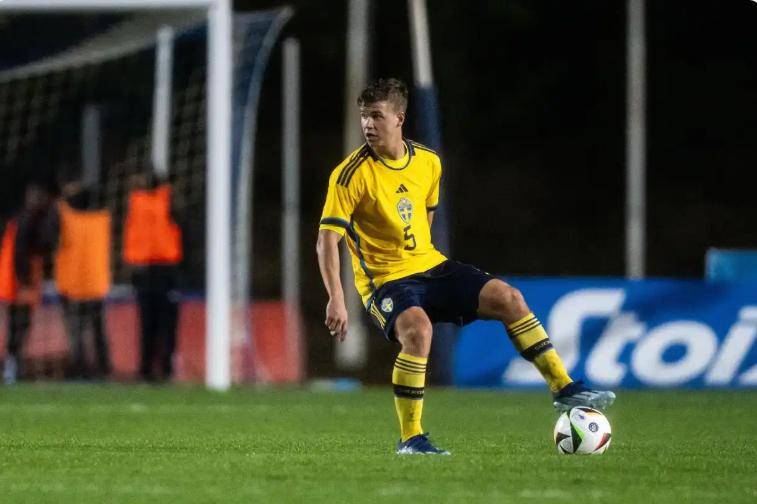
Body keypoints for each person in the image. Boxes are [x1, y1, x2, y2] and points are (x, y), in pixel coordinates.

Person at [316, 78, 615, 455]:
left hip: (431, 266)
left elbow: (424, 218)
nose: (368, 124)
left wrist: (424, 263)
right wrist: (336, 298)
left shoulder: (428, 162)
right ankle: (411, 438)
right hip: (385, 281)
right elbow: (327, 240)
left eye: (376, 115)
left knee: (508, 298)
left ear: (399, 118)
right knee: (418, 331)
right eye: (364, 116)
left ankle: (563, 387)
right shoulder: (350, 174)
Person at [122, 171, 182, 382]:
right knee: (160, 323)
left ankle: (152, 368)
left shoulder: (139, 201)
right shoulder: (164, 202)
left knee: (152, 323)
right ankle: (159, 368)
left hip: (151, 270)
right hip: (158, 270)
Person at [51, 179, 112, 379]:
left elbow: (49, 236)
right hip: (95, 284)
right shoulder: (102, 218)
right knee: (97, 330)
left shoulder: (64, 216)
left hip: (73, 285)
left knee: (76, 331)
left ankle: (80, 369)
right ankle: (103, 368)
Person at [0, 184, 51, 384]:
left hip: (16, 279)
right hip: (19, 281)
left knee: (19, 323)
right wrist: (24, 279)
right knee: (20, 324)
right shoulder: (27, 220)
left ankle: (14, 366)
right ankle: (12, 367)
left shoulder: (22, 219)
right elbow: (20, 252)